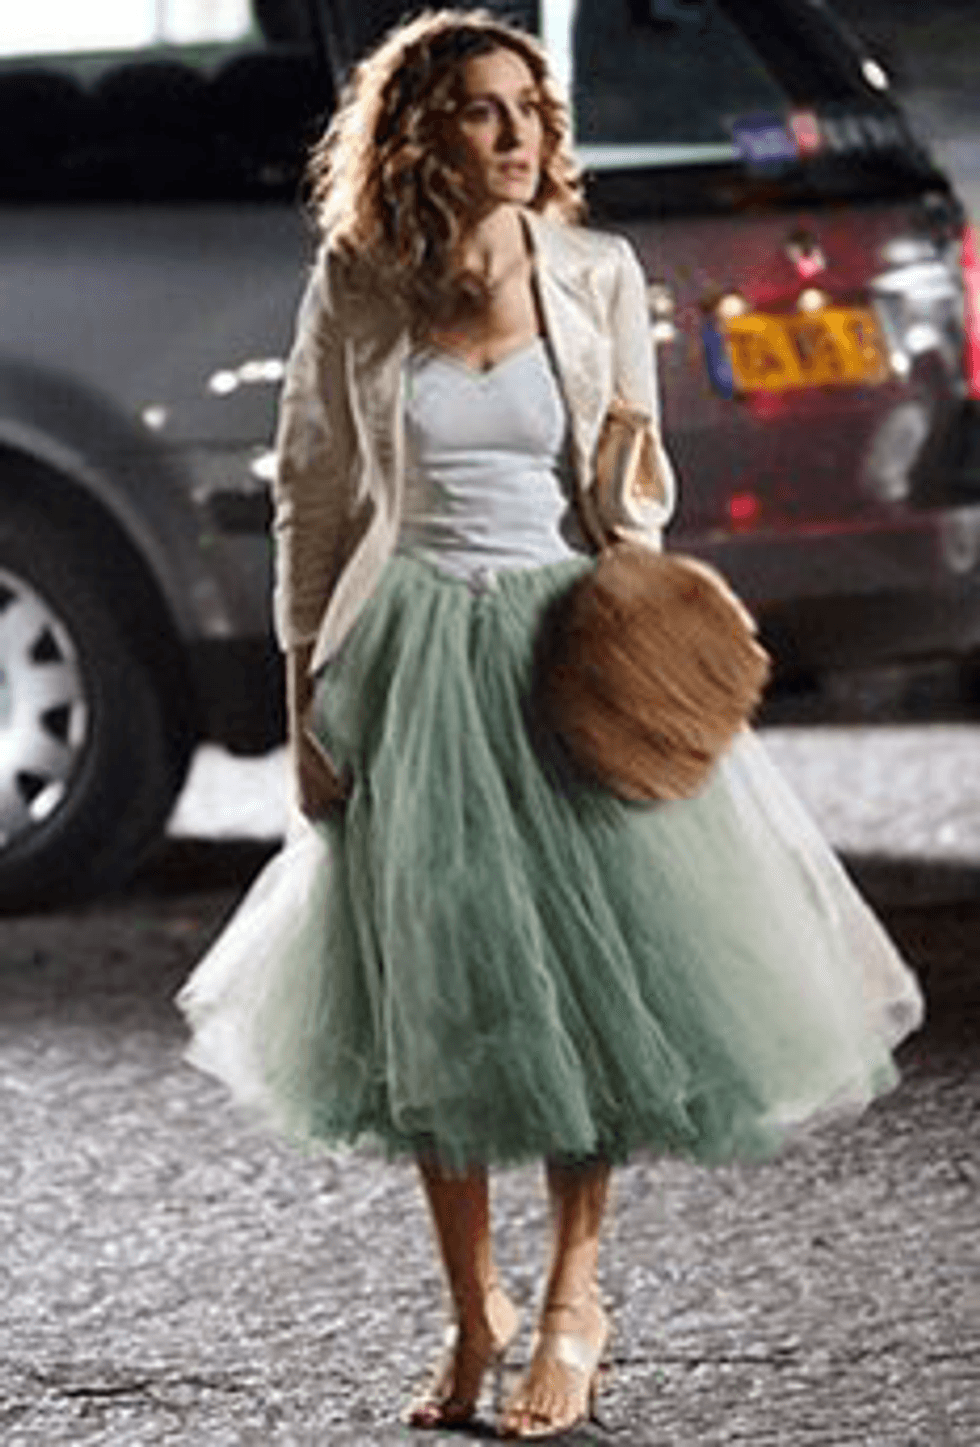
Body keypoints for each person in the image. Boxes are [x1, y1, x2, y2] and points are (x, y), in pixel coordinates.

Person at [177, 10, 924, 1439]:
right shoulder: (356, 280)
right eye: (481, 108)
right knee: (429, 993)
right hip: (409, 657)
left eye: (530, 106)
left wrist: (651, 606)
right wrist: (304, 698)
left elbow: (637, 499)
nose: (517, 132)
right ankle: (475, 1307)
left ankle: (575, 1299)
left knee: (595, 991)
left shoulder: (595, 271)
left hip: (563, 649)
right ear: (420, 132)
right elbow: (313, 502)